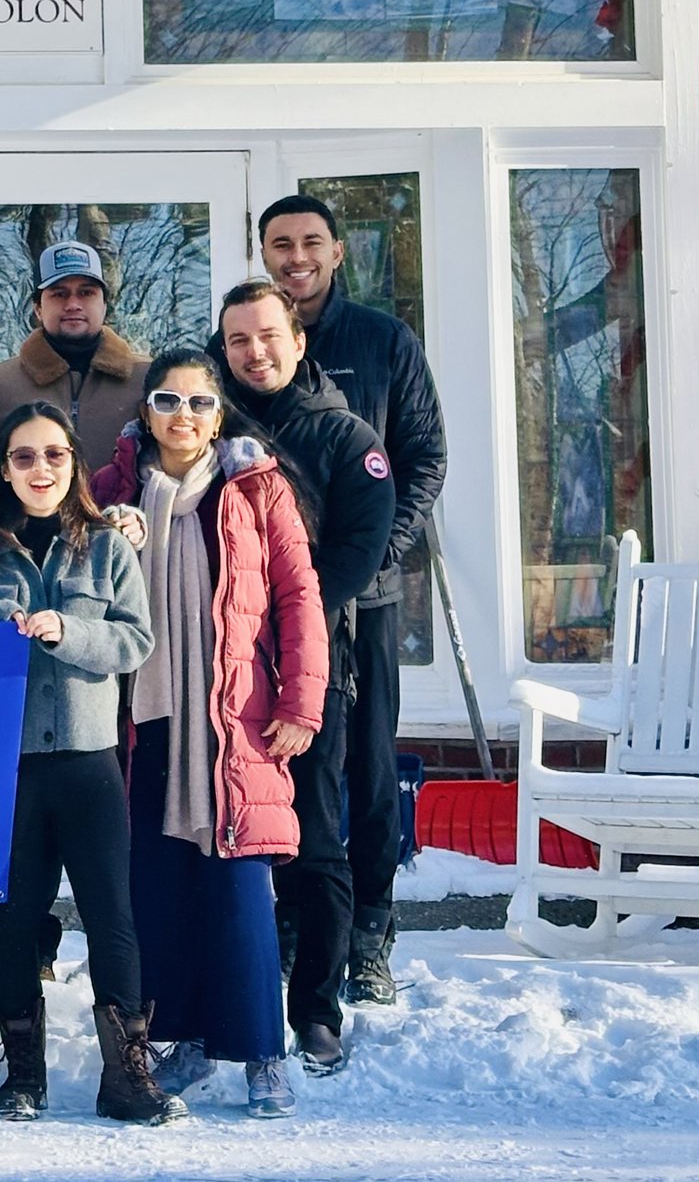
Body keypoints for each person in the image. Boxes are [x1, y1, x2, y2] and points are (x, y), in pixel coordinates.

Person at [89, 349, 329, 1119]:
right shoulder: (112, 488)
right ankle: (183, 1035)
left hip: (236, 715)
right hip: (140, 716)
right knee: (155, 888)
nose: (182, 415)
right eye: (167, 399)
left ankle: (263, 1051)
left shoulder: (258, 489)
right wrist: (105, 537)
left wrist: (302, 700)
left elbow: (298, 595)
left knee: (238, 891)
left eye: (198, 402)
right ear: (146, 410)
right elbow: (74, 574)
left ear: (219, 414)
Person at [0, 403, 177, 1126]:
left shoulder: (106, 548)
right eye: (25, 457)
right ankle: (24, 1073)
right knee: (10, 920)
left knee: (112, 917)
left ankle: (126, 1073)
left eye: (55, 456)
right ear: (4, 468)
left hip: (89, 759)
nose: (41, 470)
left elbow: (136, 641)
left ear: (73, 464)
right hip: (7, 765)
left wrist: (67, 629)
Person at [255, 196, 447, 1008]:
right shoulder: (243, 348)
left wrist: (370, 557)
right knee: (284, 765)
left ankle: (371, 929)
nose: (295, 257)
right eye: (279, 245)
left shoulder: (383, 342)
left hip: (360, 602)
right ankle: (293, 921)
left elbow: (424, 459)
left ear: (337, 252)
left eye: (309, 243)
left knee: (365, 769)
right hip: (263, 608)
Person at [213, 279, 396, 1076]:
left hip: (313, 667)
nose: (254, 353)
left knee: (317, 839)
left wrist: (291, 621)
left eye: (267, 336)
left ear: (298, 338)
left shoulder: (347, 437)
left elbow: (361, 552)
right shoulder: (207, 425)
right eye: (238, 341)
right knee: (229, 842)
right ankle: (225, 999)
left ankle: (317, 1008)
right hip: (221, 674)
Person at [0, 242, 150, 472]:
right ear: (38, 308)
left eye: (86, 293)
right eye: (59, 294)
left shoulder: (147, 380)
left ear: (104, 305)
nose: (73, 304)